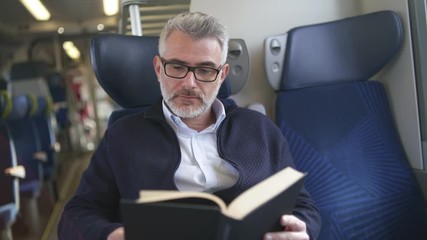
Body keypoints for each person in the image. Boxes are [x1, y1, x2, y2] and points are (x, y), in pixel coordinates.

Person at [57, 11, 321, 240]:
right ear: (158, 68)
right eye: (177, 67)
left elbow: (302, 204)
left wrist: (303, 228)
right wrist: (111, 235)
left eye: (205, 70)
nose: (189, 84)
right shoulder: (122, 138)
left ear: (223, 75)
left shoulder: (260, 129)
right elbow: (75, 217)